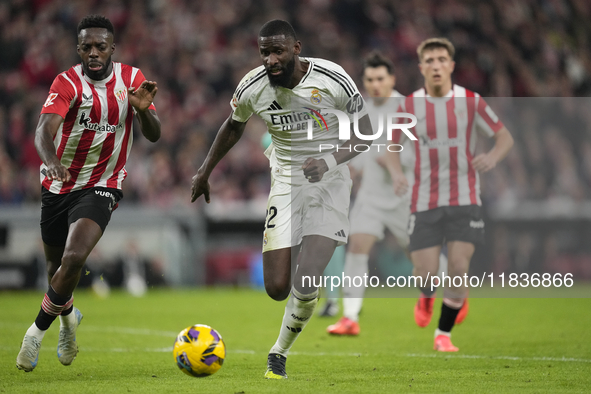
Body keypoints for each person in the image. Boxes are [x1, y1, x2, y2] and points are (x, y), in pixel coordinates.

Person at [190, 20, 373, 379]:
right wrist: (204, 170)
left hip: (330, 182)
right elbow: (234, 124)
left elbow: (365, 133)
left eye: (277, 51)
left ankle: (279, 352)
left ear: (296, 48)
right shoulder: (253, 87)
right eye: (264, 53)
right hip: (286, 181)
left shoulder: (332, 79)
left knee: (306, 280)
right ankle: (302, 305)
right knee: (276, 288)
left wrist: (329, 160)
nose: (270, 60)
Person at [16, 15, 161, 372]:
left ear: (113, 48)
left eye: (100, 46)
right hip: (58, 183)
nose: (94, 53)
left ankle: (35, 333)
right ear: (78, 48)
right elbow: (42, 131)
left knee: (75, 256)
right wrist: (51, 162)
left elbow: (155, 134)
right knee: (57, 269)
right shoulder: (66, 82)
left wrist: (143, 114)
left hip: (104, 184)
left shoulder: (132, 80)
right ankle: (68, 321)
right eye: (87, 47)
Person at [387, 38, 514, 352]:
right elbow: (391, 147)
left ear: (451, 65)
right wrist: (396, 173)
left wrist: (493, 158)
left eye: (441, 59)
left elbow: (504, 137)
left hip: (465, 198)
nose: (436, 65)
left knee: (458, 267)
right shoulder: (409, 106)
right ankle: (427, 296)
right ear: (421, 68)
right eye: (429, 60)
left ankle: (442, 334)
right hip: (424, 200)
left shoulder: (471, 101)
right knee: (426, 271)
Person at [326, 52, 449, 335]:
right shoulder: (360, 111)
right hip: (371, 198)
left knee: (424, 268)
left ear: (392, 79)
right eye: (369, 79)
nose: (375, 85)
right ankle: (351, 318)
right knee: (356, 247)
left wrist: (396, 161)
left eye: (380, 78)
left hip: (405, 197)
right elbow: (357, 154)